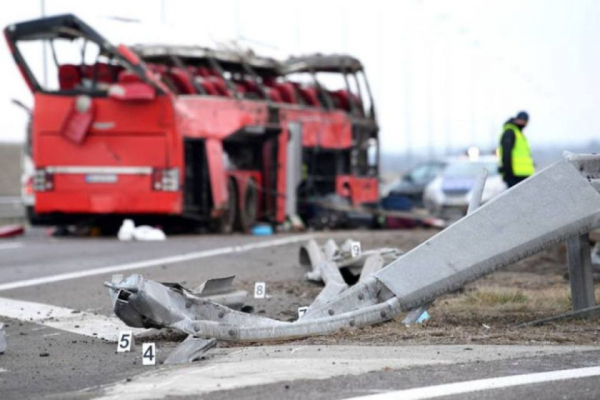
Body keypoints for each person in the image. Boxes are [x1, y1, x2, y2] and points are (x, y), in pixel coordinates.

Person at [498, 111, 535, 187]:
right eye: (521, 120)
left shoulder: (519, 134)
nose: (523, 123)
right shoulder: (510, 132)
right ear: (516, 119)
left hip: (524, 174)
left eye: (525, 121)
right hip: (514, 175)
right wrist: (508, 173)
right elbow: (506, 154)